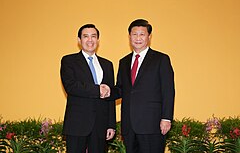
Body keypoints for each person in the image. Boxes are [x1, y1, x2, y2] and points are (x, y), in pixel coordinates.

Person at [113, 19, 175, 153]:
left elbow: (168, 90)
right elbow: (120, 89)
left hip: (152, 124)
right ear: (129, 36)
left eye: (142, 34)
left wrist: (166, 118)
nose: (138, 38)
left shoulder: (161, 59)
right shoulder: (123, 62)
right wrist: (105, 91)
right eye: (134, 34)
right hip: (129, 125)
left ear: (149, 37)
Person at [60, 24, 116, 153]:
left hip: (100, 125)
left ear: (98, 40)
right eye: (85, 36)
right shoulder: (69, 60)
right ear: (79, 40)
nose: (90, 40)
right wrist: (97, 90)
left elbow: (110, 96)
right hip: (77, 124)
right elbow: (71, 86)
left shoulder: (107, 64)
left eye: (93, 36)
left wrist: (111, 124)